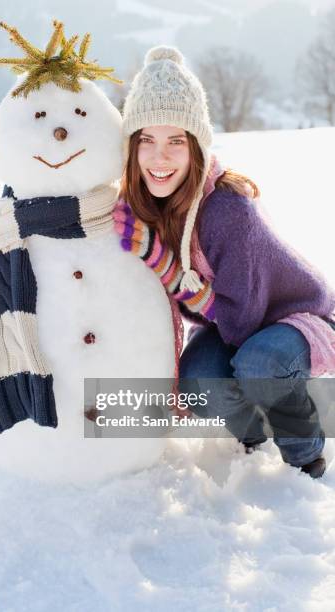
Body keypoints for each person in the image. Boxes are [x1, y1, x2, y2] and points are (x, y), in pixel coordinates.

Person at [113, 46, 335, 479]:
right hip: (232, 323)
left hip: (294, 317)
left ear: (195, 147)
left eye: (176, 141)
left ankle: (304, 456)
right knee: (198, 380)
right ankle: (252, 435)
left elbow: (242, 321)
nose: (160, 158)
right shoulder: (146, 208)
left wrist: (165, 266)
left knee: (258, 365)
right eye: (147, 141)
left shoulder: (226, 208)